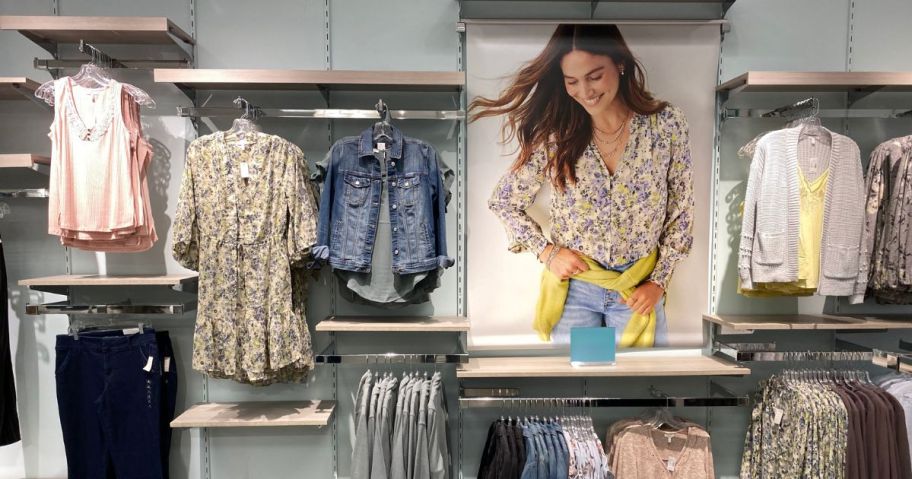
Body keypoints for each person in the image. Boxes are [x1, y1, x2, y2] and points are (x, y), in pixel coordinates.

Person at [469, 24, 694, 347]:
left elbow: (681, 212)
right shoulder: (556, 134)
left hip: (636, 291)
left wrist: (659, 281)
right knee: (585, 390)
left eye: (594, 76)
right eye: (571, 81)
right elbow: (503, 201)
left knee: (639, 391)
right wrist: (547, 252)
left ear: (619, 63)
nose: (585, 91)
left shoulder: (666, 124)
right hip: (577, 294)